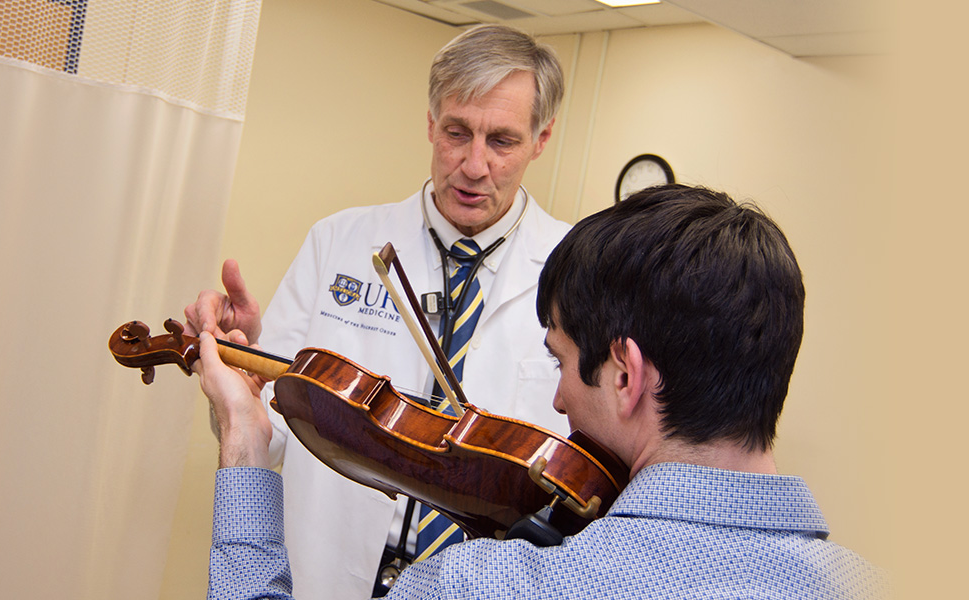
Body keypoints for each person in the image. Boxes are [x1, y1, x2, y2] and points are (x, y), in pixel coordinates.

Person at [193, 185, 885, 599]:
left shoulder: (485, 586)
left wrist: (245, 447)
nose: (557, 402)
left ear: (626, 374)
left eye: (559, 362)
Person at [183, 25, 571, 599]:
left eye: (503, 141)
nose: (472, 164)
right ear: (431, 122)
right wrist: (244, 373)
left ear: (541, 140)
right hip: (328, 571)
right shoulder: (339, 242)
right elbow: (260, 427)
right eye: (457, 132)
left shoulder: (578, 275)